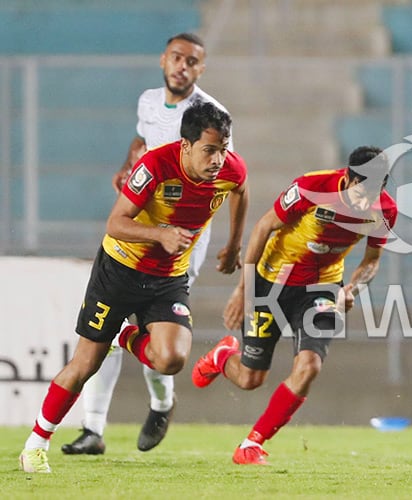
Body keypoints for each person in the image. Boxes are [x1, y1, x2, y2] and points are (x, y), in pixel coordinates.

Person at [19, 101, 249, 473]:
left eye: (223, 149)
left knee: (171, 360)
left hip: (168, 276)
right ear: (186, 145)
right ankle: (36, 443)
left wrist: (234, 245)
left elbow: (241, 190)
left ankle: (124, 336)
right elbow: (115, 223)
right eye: (209, 150)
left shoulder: (231, 169)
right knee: (85, 365)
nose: (218, 159)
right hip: (120, 270)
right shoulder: (156, 166)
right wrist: (159, 234)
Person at [61, 32, 235, 456]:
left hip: (179, 241)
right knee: (109, 326)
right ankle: (93, 428)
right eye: (176, 57)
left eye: (192, 61)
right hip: (139, 229)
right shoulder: (148, 102)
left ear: (201, 69)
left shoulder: (212, 116)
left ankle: (161, 403)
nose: (182, 66)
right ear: (163, 60)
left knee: (144, 327)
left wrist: (231, 243)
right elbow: (141, 144)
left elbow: (227, 173)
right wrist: (127, 168)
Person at [191, 146, 397, 465]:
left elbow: (372, 261)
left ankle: (252, 444)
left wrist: (352, 288)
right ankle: (223, 357)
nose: (366, 201)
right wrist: (243, 288)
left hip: (322, 287)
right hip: (272, 281)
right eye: (361, 190)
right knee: (249, 379)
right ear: (347, 178)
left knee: (310, 366)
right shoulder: (311, 188)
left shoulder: (384, 210)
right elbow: (263, 227)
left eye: (375, 191)